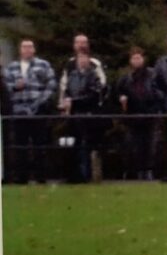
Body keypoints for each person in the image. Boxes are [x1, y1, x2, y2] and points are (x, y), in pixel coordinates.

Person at [3, 39, 57, 183]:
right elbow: (5, 86)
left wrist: (41, 100)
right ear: (20, 50)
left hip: (38, 110)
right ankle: (22, 178)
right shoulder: (12, 67)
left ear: (34, 49)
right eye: (24, 47)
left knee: (40, 144)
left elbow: (51, 84)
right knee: (21, 145)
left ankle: (41, 177)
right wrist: (15, 87)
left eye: (30, 47)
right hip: (19, 110)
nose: (27, 50)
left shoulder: (43, 65)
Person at [116, 47, 164, 180]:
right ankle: (137, 170)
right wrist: (122, 98)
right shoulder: (126, 79)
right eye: (134, 58)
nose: (137, 61)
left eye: (139, 58)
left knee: (150, 144)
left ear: (143, 59)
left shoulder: (152, 74)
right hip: (133, 116)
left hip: (150, 114)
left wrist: (154, 99)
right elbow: (118, 93)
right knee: (135, 145)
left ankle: (149, 170)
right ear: (131, 61)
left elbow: (160, 91)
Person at [61, 50, 105, 182]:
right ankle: (74, 175)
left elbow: (93, 95)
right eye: (80, 58)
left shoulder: (93, 75)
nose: (82, 60)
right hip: (73, 116)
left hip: (87, 115)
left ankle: (85, 175)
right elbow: (67, 91)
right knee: (73, 145)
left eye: (85, 58)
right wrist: (66, 101)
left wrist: (74, 101)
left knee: (85, 146)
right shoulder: (72, 75)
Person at [57, 33, 106, 111]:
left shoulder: (95, 63)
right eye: (78, 42)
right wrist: (62, 102)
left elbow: (102, 84)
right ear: (74, 45)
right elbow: (63, 85)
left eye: (84, 42)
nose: (81, 45)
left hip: (91, 106)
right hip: (72, 107)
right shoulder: (69, 64)